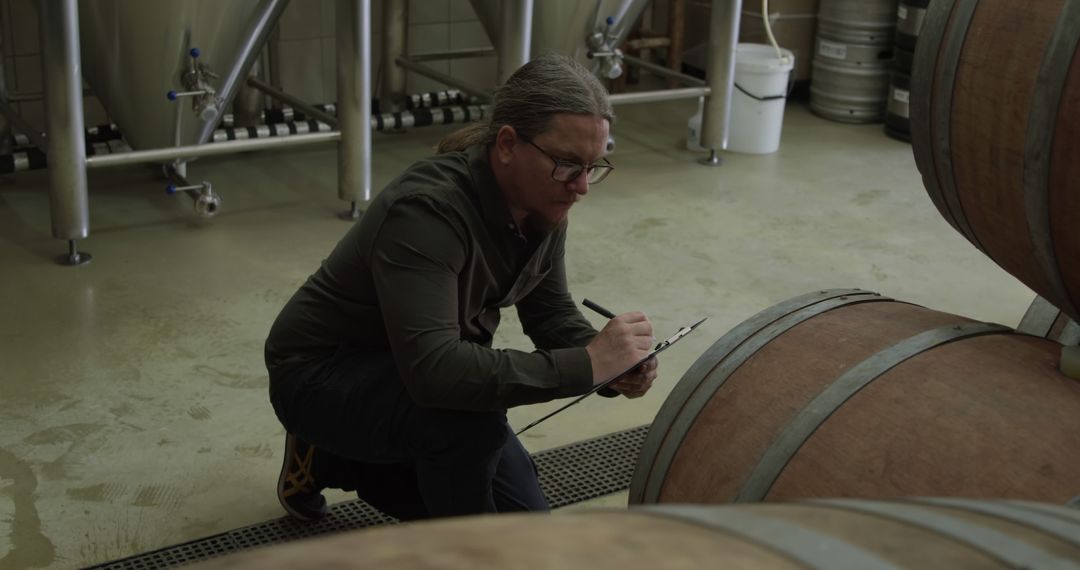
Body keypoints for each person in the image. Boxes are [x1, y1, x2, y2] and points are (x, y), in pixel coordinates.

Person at [265, 53, 658, 522]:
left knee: (525, 525)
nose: (581, 187)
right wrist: (585, 364)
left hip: (414, 376)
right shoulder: (426, 212)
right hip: (323, 374)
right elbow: (436, 372)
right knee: (470, 441)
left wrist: (610, 364)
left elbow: (549, 312)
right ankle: (332, 448)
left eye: (593, 167)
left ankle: (336, 454)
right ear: (508, 144)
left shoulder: (547, 200)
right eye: (568, 165)